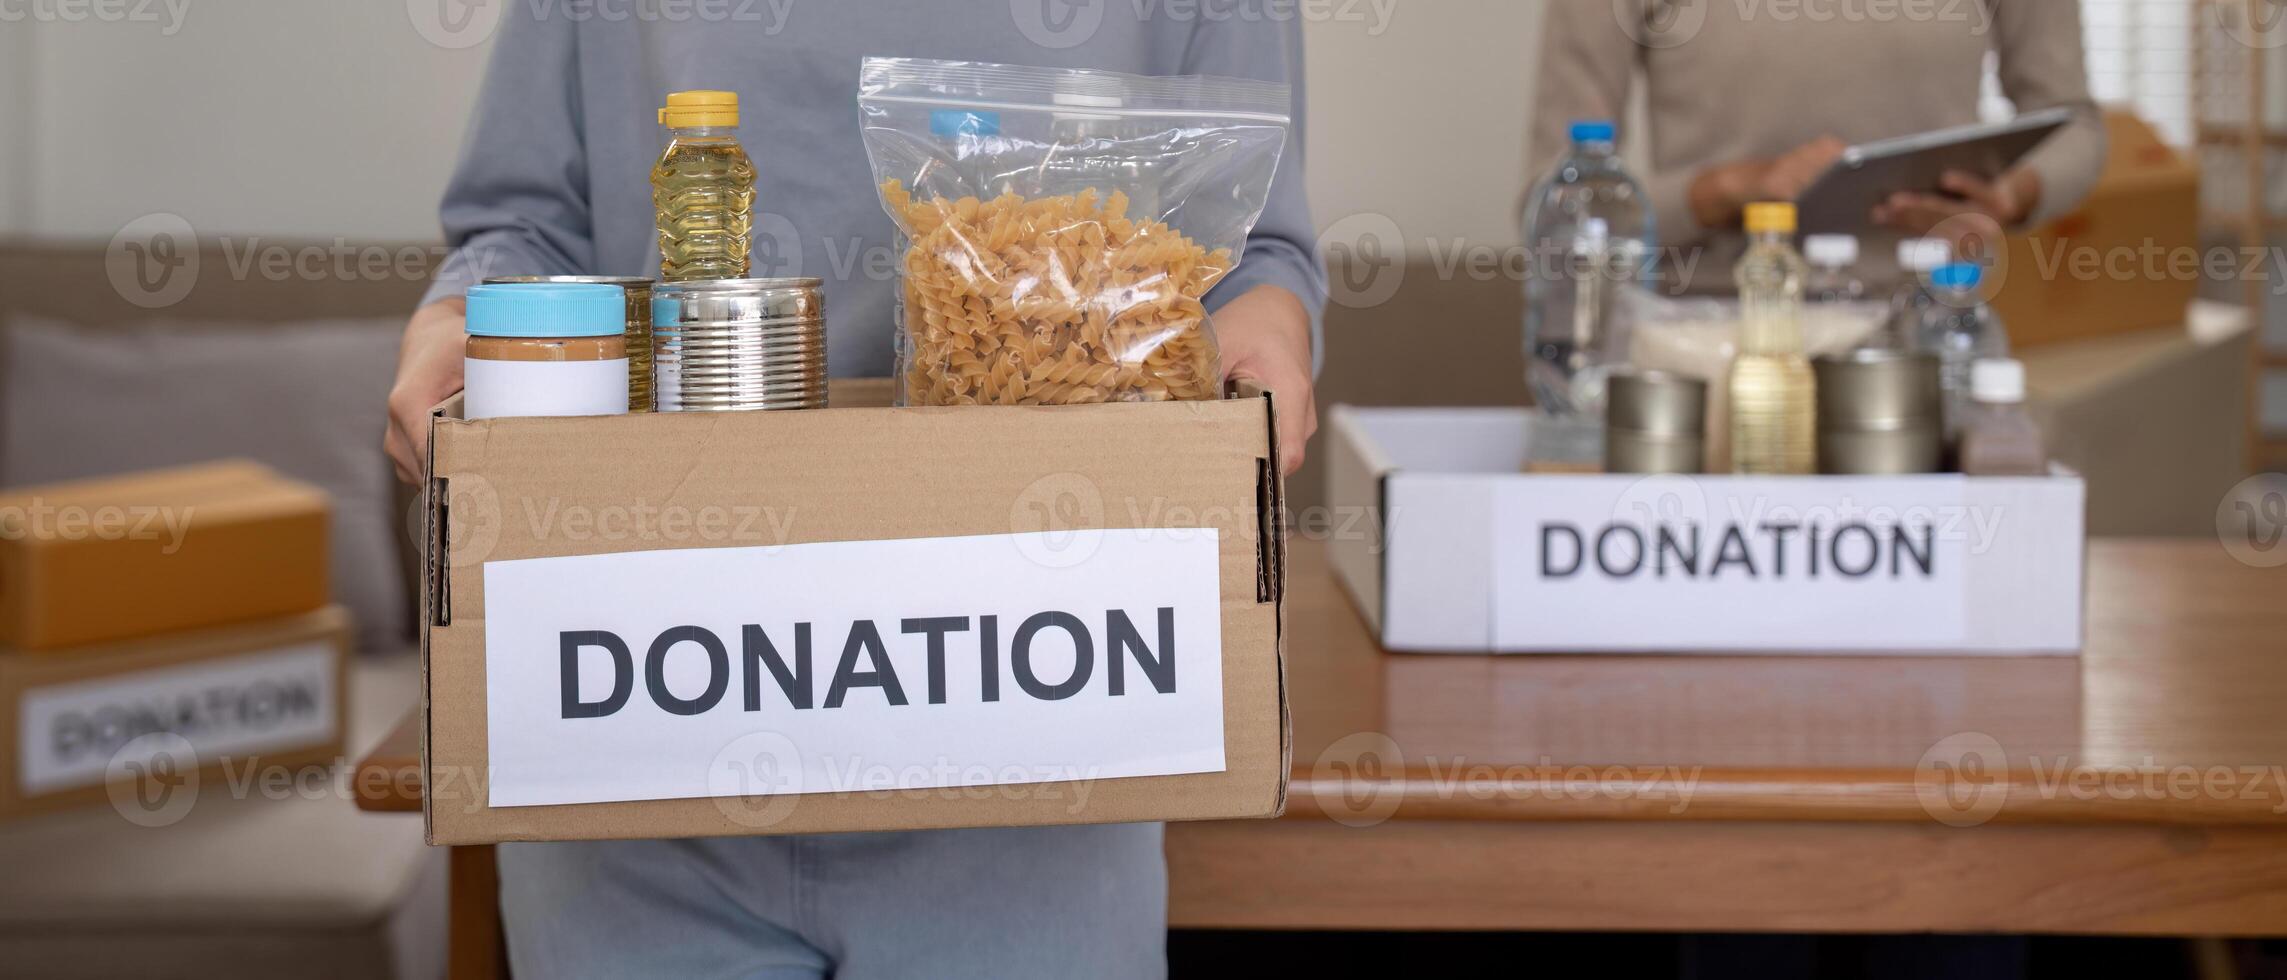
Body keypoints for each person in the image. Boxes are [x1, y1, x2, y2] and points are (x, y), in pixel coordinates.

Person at [379, 5, 1324, 978]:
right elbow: (523, 223)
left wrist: (1265, 333)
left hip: (1034, 764)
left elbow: (1252, 254)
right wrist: (459, 320)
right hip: (645, 738)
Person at [1528, 0, 2106, 292]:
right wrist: (1724, 191)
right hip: (1706, 340)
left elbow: (2075, 125)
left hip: (1928, 332)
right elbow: (1548, 206)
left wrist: (2009, 194)